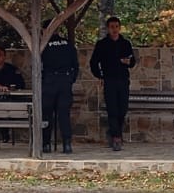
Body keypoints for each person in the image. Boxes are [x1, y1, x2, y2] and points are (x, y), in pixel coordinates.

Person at [89, 15, 137, 151]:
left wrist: (128, 62)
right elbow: (93, 62)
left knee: (122, 109)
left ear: (119, 28)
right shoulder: (102, 44)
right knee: (112, 109)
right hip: (109, 80)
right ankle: (116, 137)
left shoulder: (125, 43)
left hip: (123, 80)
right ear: (108, 29)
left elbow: (132, 61)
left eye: (116, 27)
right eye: (112, 27)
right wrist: (99, 76)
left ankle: (115, 133)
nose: (114, 29)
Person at [39, 29, 79, 153]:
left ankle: (46, 144)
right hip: (64, 81)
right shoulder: (68, 44)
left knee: (46, 114)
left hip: (49, 81)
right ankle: (67, 144)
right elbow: (75, 65)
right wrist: (70, 80)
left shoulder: (42, 45)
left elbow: (38, 65)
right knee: (64, 114)